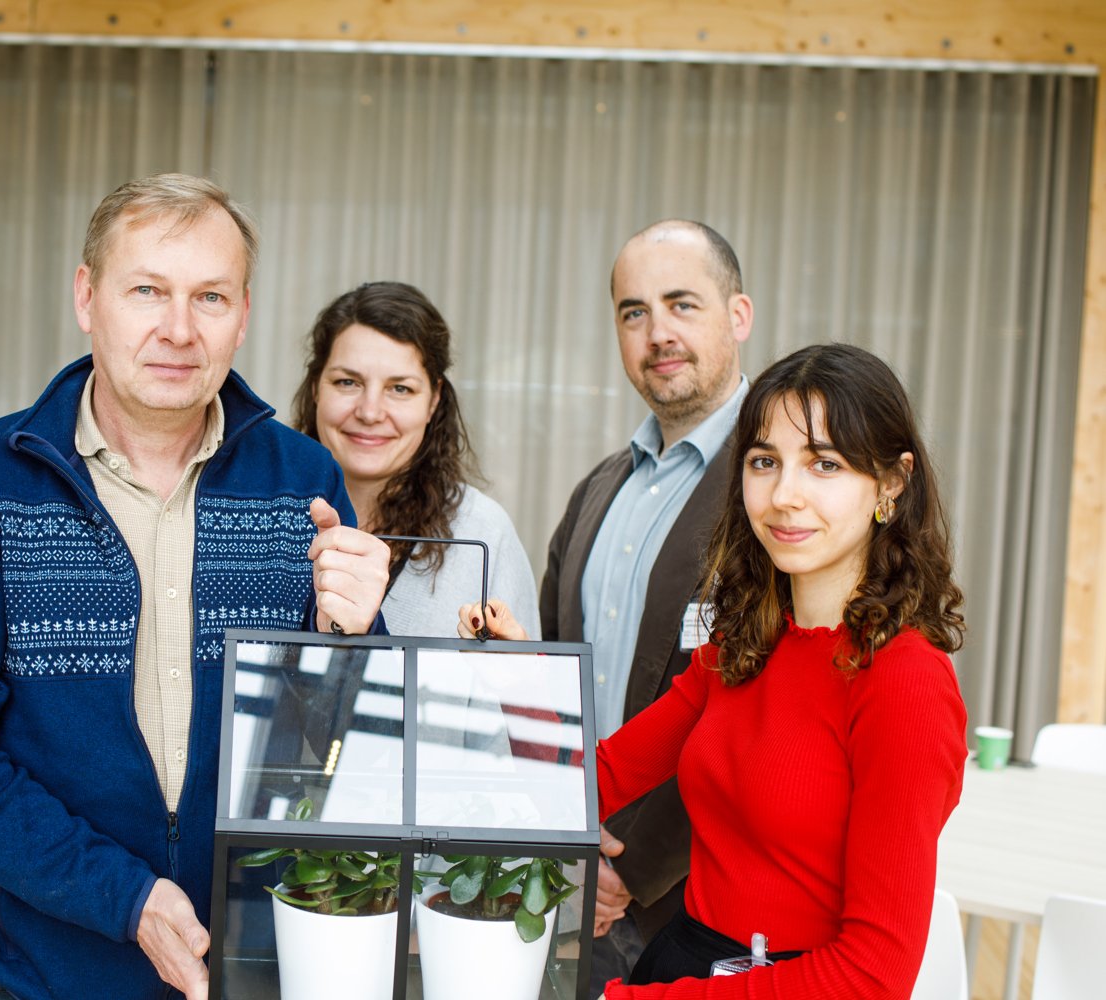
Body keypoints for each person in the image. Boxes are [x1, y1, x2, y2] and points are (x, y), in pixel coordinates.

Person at [0, 174, 390, 1000]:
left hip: (248, 972)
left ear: (244, 313)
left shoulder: (304, 479)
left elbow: (347, 746)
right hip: (40, 975)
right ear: (88, 297)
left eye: (210, 297)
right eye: (147, 290)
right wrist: (124, 898)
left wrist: (358, 640)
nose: (178, 329)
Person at [465, 342, 969, 997]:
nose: (785, 495)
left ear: (892, 484)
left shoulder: (906, 682)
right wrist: (518, 683)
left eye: (824, 464)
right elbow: (593, 785)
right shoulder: (741, 643)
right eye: (765, 462)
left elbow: (870, 977)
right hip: (684, 960)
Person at [537, 219, 754, 990]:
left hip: (687, 910)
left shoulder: (773, 493)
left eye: (682, 304)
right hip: (567, 882)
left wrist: (635, 869)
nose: (657, 332)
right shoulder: (598, 490)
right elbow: (557, 673)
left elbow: (748, 709)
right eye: (634, 312)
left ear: (738, 316)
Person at [290, 280, 540, 638]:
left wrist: (516, 676)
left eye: (400, 389)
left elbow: (529, 691)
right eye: (347, 382)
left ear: (434, 400)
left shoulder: (484, 532)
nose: (371, 411)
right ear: (316, 387)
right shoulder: (262, 515)